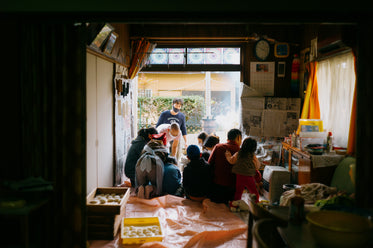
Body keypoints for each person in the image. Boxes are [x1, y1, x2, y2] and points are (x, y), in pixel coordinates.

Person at [208, 128, 242, 204]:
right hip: (232, 189)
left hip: (217, 187)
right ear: (239, 138)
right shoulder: (241, 151)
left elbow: (209, 164)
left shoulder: (218, 147)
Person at [225, 137, 262, 203]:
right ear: (254, 148)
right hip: (249, 176)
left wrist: (228, 154)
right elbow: (257, 166)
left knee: (238, 192)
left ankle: (235, 204)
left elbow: (231, 161)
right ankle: (256, 203)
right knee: (254, 191)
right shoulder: (252, 156)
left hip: (239, 175)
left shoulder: (239, 153)